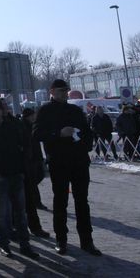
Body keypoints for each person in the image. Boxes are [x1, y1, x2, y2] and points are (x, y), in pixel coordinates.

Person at [33, 79, 101, 256]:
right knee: (60, 201)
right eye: (61, 90)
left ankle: (87, 240)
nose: (65, 93)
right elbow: (37, 134)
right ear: (52, 91)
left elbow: (87, 132)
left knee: (82, 202)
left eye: (66, 90)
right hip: (58, 161)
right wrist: (58, 134)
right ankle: (61, 239)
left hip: (79, 161)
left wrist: (85, 145)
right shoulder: (45, 111)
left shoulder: (75, 110)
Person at [0, 98, 40, 259]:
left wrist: (23, 167)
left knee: (20, 213)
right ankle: (4, 244)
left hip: (16, 174)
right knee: (1, 214)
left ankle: (25, 244)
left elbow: (26, 143)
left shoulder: (13, 125)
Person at [21, 107, 49, 238]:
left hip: (34, 160)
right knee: (28, 196)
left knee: (34, 184)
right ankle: (28, 227)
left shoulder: (33, 126)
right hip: (25, 163)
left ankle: (34, 226)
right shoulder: (21, 127)